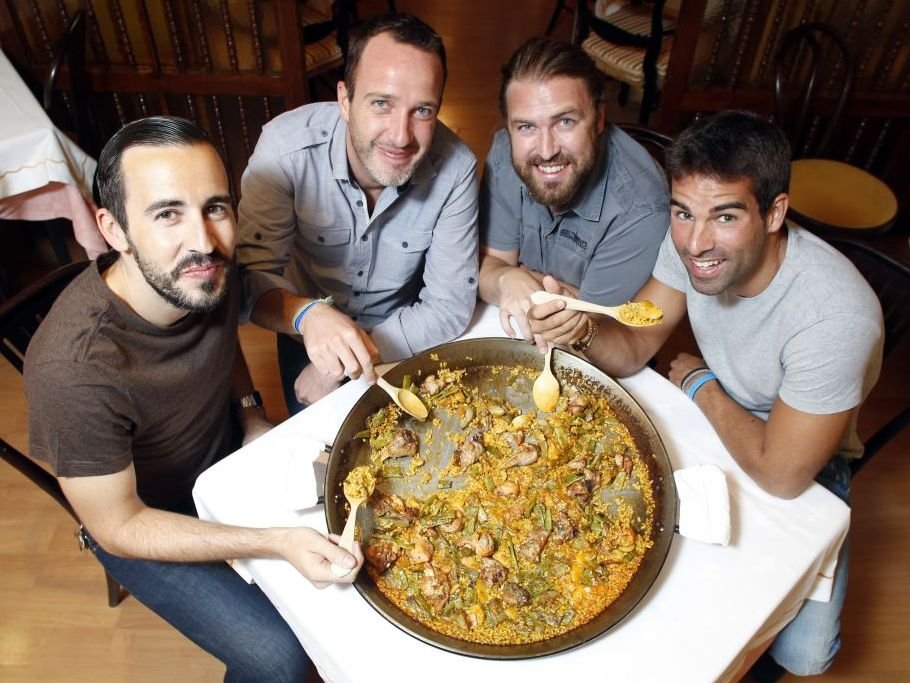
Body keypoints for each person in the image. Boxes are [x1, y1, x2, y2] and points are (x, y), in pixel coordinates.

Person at [529, 110, 883, 677]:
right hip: (720, 415)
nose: (696, 242)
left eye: (725, 215)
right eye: (682, 212)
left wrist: (698, 382)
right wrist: (582, 327)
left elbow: (782, 473)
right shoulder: (693, 243)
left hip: (804, 451)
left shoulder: (835, 318)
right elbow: (635, 348)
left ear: (775, 213)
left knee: (807, 656)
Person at [23, 116, 363, 682]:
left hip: (227, 456)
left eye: (215, 207)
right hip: (145, 516)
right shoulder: (73, 369)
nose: (203, 242)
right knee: (281, 658)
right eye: (166, 214)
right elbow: (118, 526)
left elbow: (229, 316)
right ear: (113, 229)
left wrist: (252, 411)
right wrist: (274, 542)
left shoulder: (200, 275)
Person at [237, 13, 479, 413]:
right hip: (303, 330)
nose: (401, 136)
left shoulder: (457, 169)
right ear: (345, 101)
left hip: (404, 333)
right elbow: (248, 281)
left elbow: (448, 306)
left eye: (422, 111)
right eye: (382, 103)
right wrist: (307, 316)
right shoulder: (283, 149)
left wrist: (348, 357)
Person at [478, 37, 668, 348]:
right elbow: (488, 268)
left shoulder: (642, 209)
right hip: (516, 327)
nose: (547, 150)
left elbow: (595, 330)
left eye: (565, 121)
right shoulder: (504, 153)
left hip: (594, 352)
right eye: (526, 127)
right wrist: (506, 279)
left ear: (599, 119)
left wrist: (516, 278)